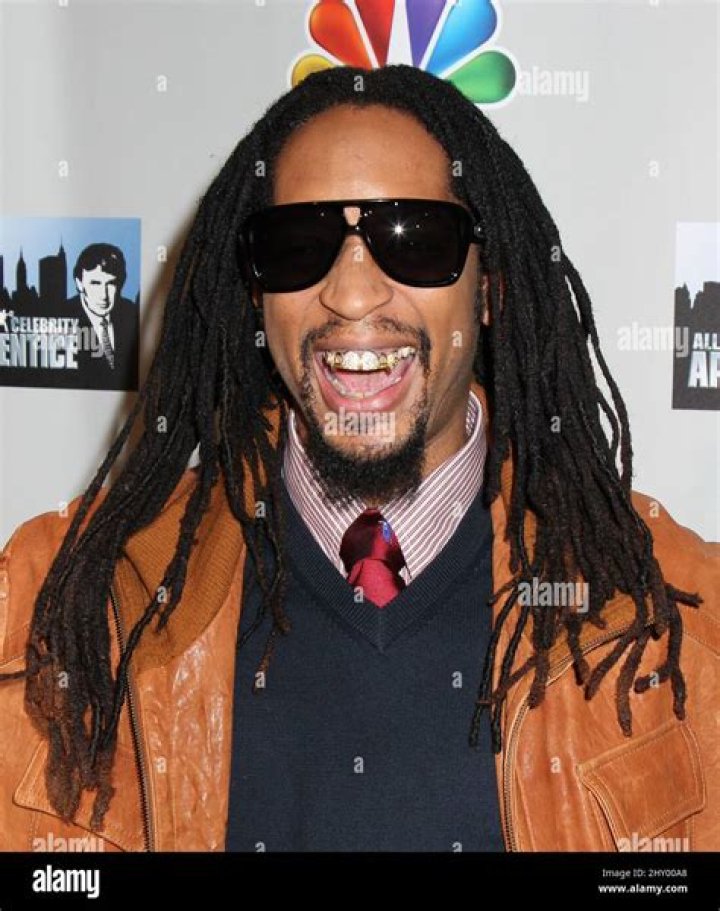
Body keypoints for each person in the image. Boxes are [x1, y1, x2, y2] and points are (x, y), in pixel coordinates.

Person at [0, 64, 717, 852]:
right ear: (255, 295)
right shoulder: (64, 606)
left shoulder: (678, 614)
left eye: (414, 240)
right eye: (299, 246)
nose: (350, 292)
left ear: (489, 288)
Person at [66, 243, 139, 390]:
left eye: (111, 283)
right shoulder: (62, 315)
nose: (103, 295)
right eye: (95, 283)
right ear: (79, 284)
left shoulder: (132, 313)